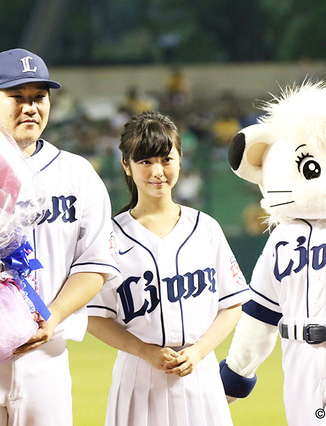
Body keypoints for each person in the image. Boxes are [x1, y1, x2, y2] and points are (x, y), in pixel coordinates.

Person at [0, 48, 120, 426]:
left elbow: (95, 265)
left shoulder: (77, 174)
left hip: (45, 354)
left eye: (39, 97)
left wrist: (54, 317)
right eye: (17, 97)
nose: (30, 107)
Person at [87, 111, 250, 426]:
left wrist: (200, 351)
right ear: (126, 165)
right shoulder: (109, 235)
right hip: (138, 372)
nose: (157, 171)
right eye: (145, 162)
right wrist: (142, 350)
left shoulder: (205, 228)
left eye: (165, 159)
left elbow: (232, 305)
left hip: (198, 370)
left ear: (180, 159)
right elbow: (94, 316)